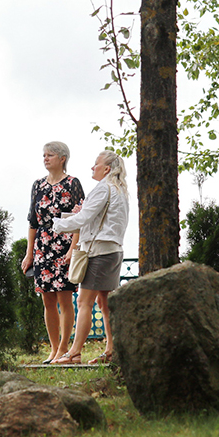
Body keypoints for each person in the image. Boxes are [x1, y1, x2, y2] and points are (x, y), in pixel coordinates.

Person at [50, 150, 130, 364]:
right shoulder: (120, 190)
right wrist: (80, 214)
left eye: (96, 164)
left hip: (99, 253)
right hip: (113, 250)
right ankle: (111, 350)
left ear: (107, 169)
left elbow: (85, 218)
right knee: (105, 303)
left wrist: (58, 224)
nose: (92, 168)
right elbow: (96, 219)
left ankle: (74, 353)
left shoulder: (102, 188)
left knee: (84, 301)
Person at [20, 142, 85, 363]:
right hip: (43, 246)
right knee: (47, 300)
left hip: (65, 244)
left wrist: (73, 248)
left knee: (65, 299)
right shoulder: (37, 185)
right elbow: (32, 222)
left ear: (62, 158)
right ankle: (54, 348)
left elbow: (81, 219)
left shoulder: (73, 183)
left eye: (50, 155)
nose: (45, 158)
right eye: (44, 155)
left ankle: (65, 349)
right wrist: (29, 253)